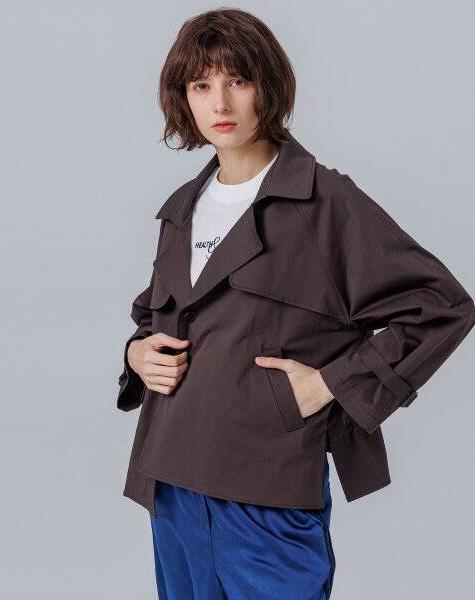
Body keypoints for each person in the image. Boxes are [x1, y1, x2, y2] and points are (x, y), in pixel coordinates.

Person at [116, 8, 475, 600]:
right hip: (172, 480)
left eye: (238, 80)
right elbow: (156, 314)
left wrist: (331, 382)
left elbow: (441, 306)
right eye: (201, 85)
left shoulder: (323, 200)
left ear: (269, 86)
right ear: (184, 98)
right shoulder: (183, 206)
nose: (220, 102)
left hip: (267, 486)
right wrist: (138, 354)